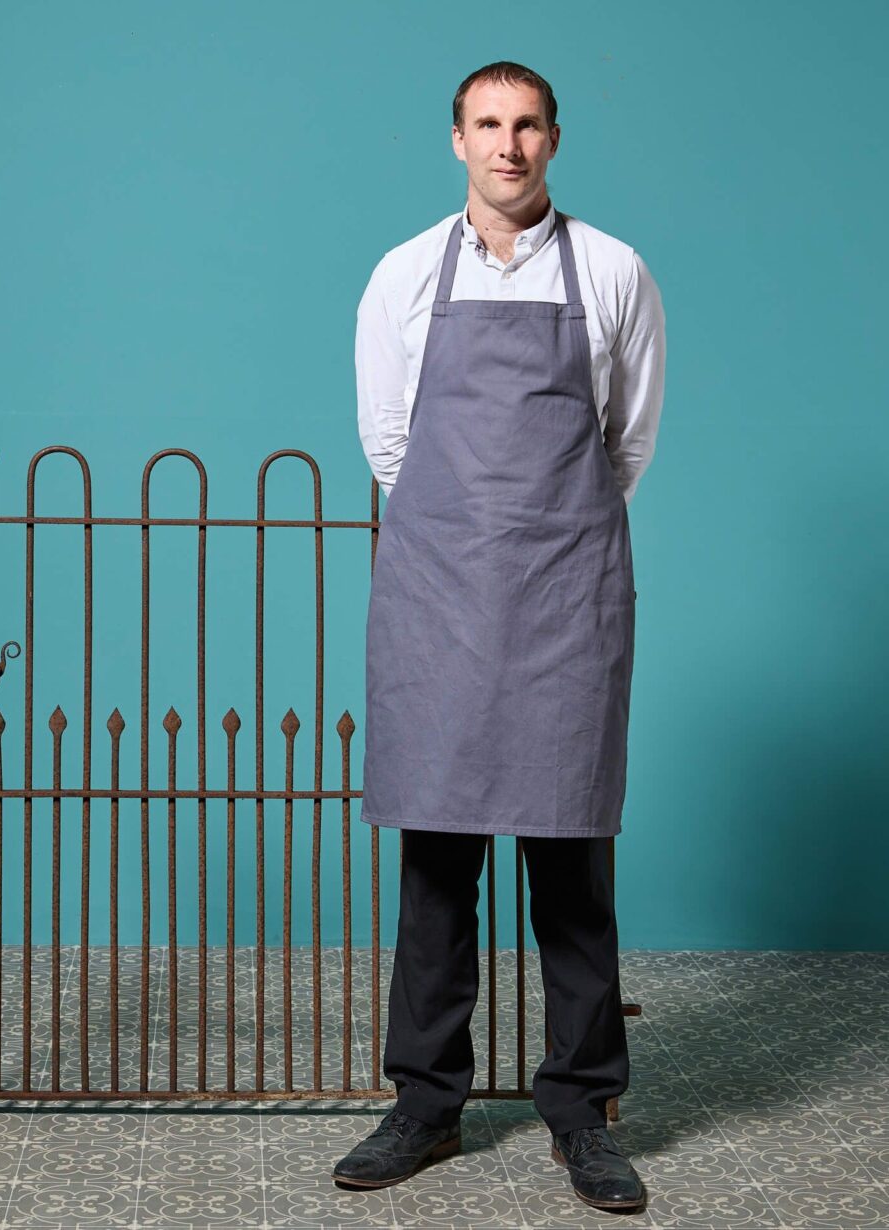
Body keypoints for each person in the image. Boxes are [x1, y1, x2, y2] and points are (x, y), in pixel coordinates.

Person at [335, 61, 666, 1215]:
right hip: (441, 598)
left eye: (527, 126)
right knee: (437, 868)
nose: (508, 145)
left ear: (553, 140)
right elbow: (390, 440)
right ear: (458, 140)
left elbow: (627, 443)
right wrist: (465, 532)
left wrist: (549, 532)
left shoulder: (614, 271)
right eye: (488, 124)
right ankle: (425, 1106)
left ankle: (584, 1113)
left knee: (573, 868)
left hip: (567, 597)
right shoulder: (403, 275)